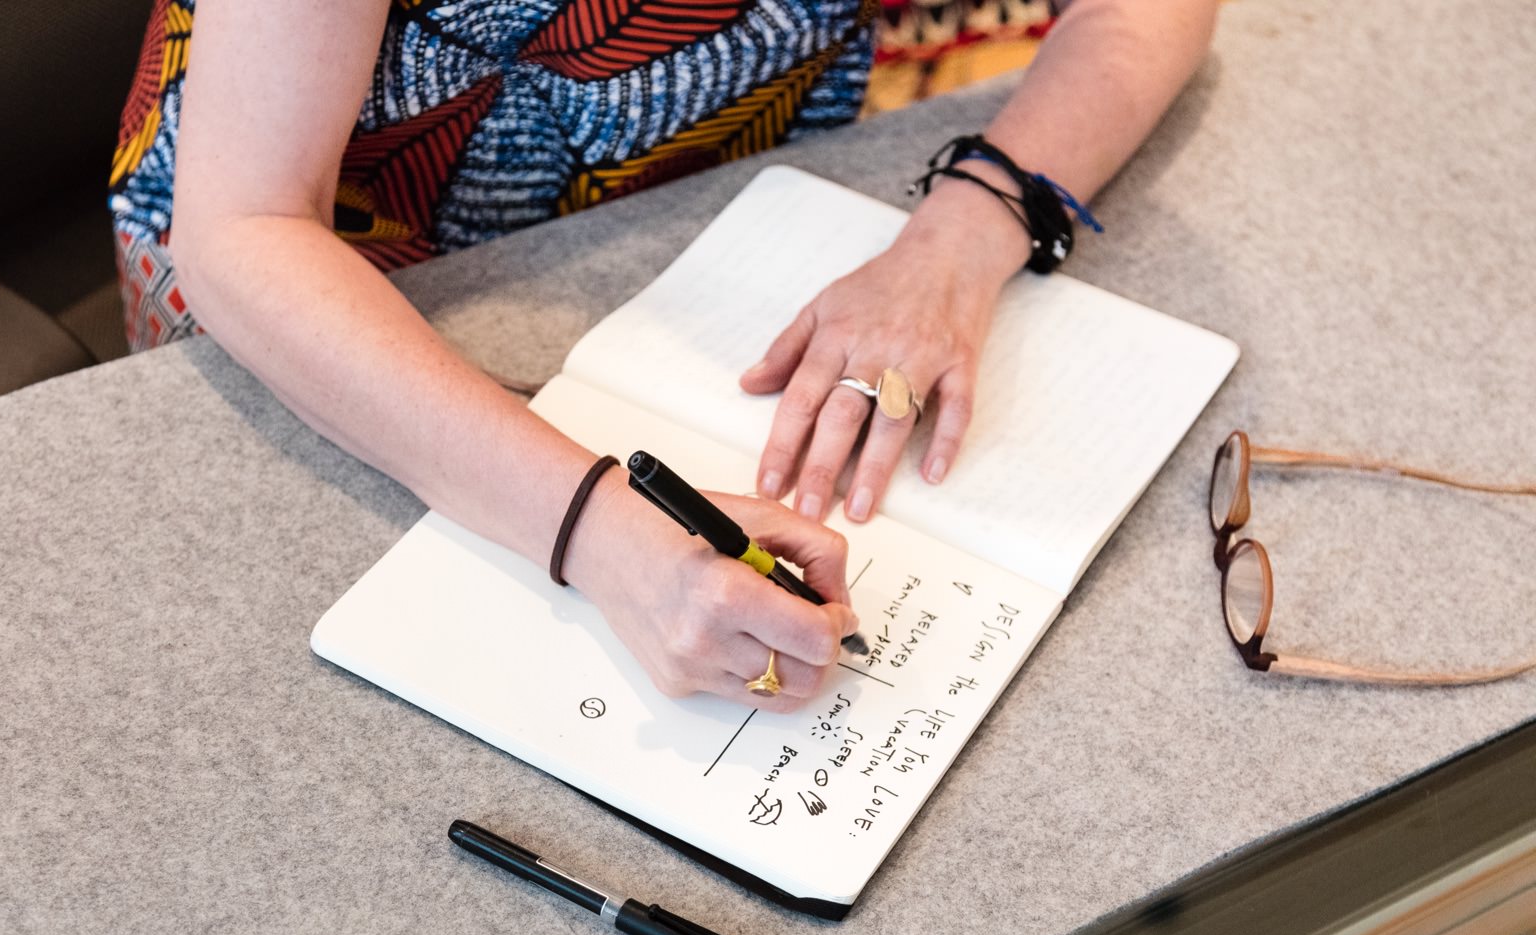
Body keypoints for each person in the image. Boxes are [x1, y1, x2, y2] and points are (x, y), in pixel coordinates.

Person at [108, 0, 1216, 710]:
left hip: (727, 199)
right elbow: (245, 228)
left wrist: (966, 233)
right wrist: (598, 532)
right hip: (349, 294)